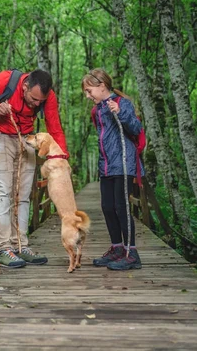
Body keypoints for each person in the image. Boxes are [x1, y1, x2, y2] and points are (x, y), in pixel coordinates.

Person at [0, 69, 68, 268]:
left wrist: (61, 156)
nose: (36, 104)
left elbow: (54, 125)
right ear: (25, 86)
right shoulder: (5, 80)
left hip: (26, 139)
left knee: (23, 195)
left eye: (40, 101)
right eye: (33, 99)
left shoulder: (48, 96)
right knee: (2, 193)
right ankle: (3, 248)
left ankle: (20, 245)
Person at [81, 68, 143, 270]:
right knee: (107, 207)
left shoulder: (122, 103)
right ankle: (117, 248)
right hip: (106, 166)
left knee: (121, 207)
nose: (88, 95)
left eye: (90, 91)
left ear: (102, 86)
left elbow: (135, 128)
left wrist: (121, 113)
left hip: (124, 164)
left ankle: (131, 253)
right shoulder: (97, 110)